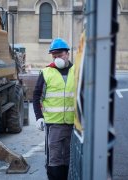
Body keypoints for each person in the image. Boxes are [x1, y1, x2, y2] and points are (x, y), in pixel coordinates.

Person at [33, 38, 75, 180]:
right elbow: (36, 95)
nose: (57, 58)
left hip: (73, 124)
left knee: (70, 157)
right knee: (54, 158)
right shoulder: (46, 72)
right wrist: (39, 117)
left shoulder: (77, 71)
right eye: (54, 56)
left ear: (67, 54)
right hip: (54, 125)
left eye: (59, 55)